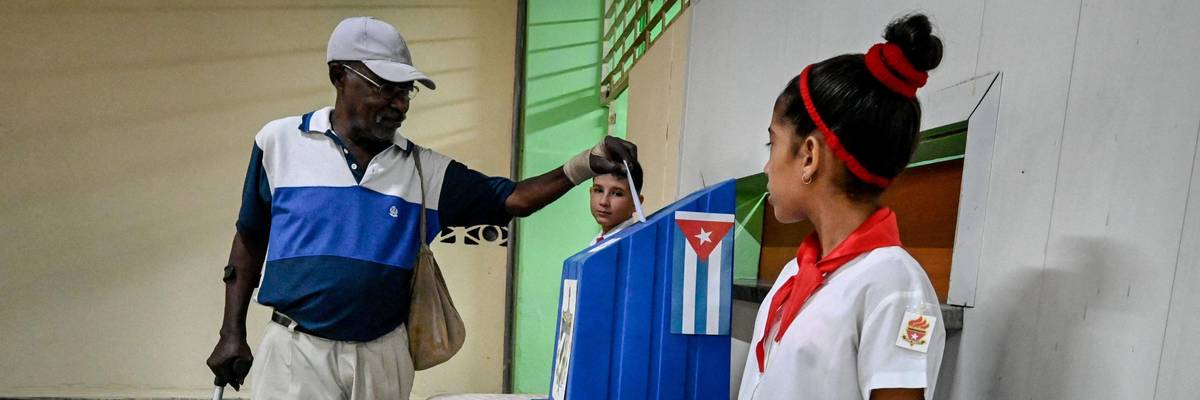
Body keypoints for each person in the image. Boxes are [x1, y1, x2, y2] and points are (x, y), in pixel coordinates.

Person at [205, 16, 637, 399]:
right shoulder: (278, 143)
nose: (400, 104)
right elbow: (250, 235)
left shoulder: (422, 168)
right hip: (294, 354)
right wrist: (231, 333)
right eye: (385, 88)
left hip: (382, 355)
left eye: (406, 91)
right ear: (339, 76)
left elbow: (513, 199)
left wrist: (584, 164)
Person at [737, 14, 945, 400]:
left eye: (773, 145)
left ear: (809, 156)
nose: (767, 166)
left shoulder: (896, 287)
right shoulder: (795, 273)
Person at [588, 160, 643, 245]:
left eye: (617, 194)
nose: (603, 202)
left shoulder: (632, 245)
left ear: (636, 203)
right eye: (599, 190)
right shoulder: (597, 241)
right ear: (590, 192)